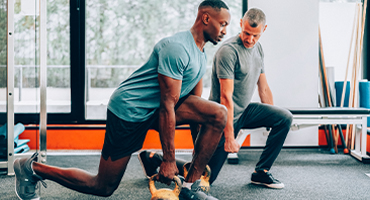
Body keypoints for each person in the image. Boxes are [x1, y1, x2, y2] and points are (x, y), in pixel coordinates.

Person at [13, 1, 230, 200]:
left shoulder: (201, 56)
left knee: (218, 113)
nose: (224, 31)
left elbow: (195, 107)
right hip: (130, 109)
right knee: (103, 186)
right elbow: (167, 105)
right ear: (206, 18)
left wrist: (197, 157)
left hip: (156, 110)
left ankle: (190, 189)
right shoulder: (177, 48)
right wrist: (169, 160)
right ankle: (32, 169)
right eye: (222, 24)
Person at [139, 8, 293, 190]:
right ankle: (154, 158)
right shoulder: (228, 51)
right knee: (205, 177)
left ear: (264, 30)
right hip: (222, 117)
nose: (250, 40)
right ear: (241, 24)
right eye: (247, 33)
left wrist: (270, 118)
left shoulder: (257, 49)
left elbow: (264, 87)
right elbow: (225, 97)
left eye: (255, 36)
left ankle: (262, 172)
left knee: (284, 117)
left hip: (244, 111)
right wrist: (229, 137)